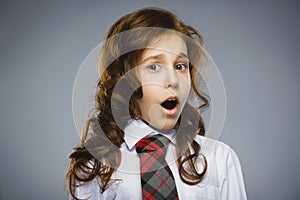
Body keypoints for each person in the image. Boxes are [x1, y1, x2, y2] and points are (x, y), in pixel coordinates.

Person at [66, 7, 247, 200]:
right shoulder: (94, 170)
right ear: (123, 80)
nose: (173, 80)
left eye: (180, 66)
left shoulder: (220, 159)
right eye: (154, 66)